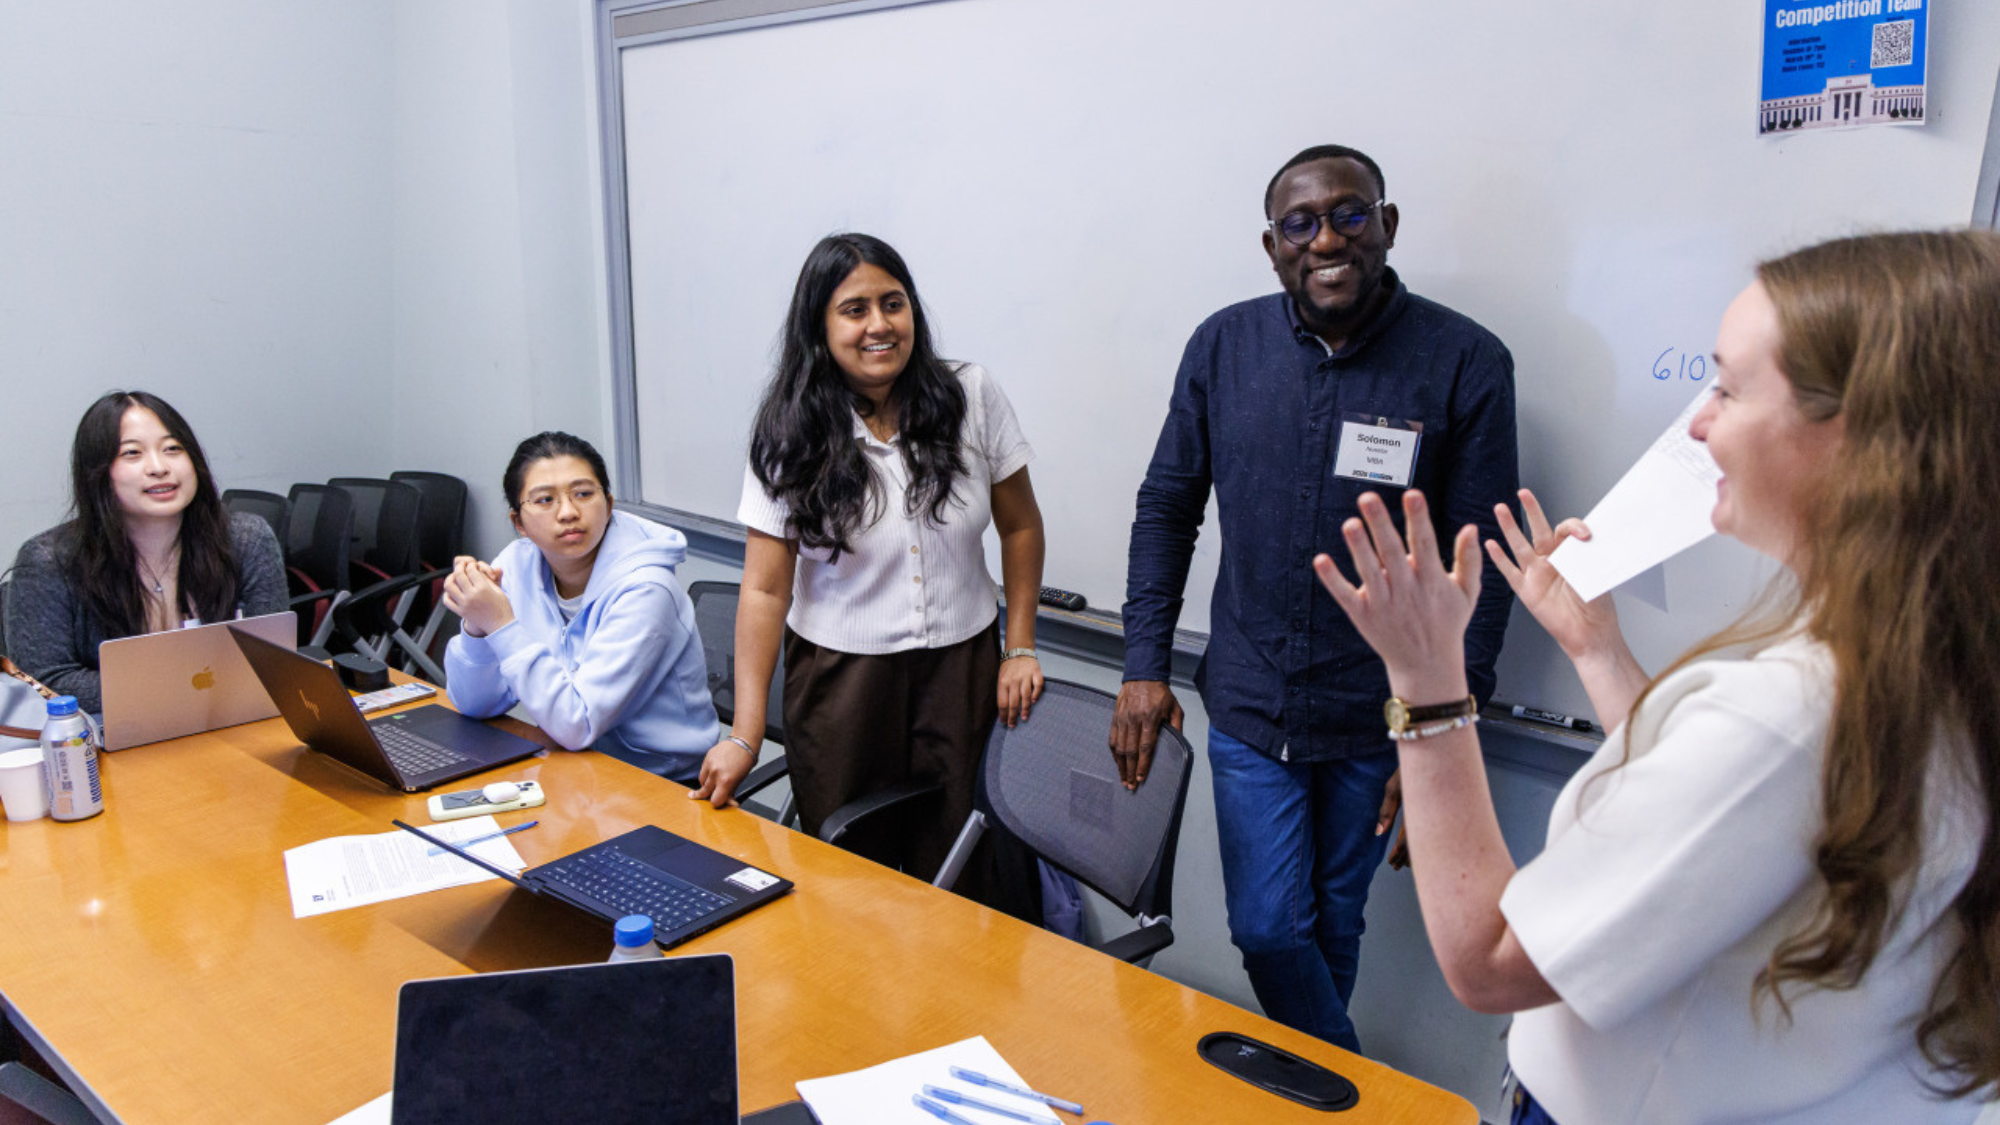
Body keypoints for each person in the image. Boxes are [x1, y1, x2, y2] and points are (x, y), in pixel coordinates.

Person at [1316, 229, 2000, 1124]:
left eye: (1727, 387)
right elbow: (1720, 819)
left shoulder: (1793, 711)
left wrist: (1428, 683)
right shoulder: (1929, 666)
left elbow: (1488, 958)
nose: (1700, 422)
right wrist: (1598, 651)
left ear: (1858, 438)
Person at [1111, 144, 1519, 1052]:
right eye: (1300, 223)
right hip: (1253, 702)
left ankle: (1312, 1102)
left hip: (1381, 717)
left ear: (1388, 224)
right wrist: (1144, 663)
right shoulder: (1224, 345)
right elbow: (1166, 506)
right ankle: (1361, 1098)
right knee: (1266, 927)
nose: (1326, 238)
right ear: (1271, 245)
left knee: (1336, 922)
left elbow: (1476, 563)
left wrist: (1444, 736)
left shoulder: (1466, 362)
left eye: (1349, 214)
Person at [701, 232, 1046, 903]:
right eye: (855, 309)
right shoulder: (789, 430)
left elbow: (1022, 524)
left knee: (967, 874)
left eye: (894, 303)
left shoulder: (970, 394)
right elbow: (766, 589)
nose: (880, 325)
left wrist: (1022, 644)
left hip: (964, 673)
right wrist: (744, 736)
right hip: (841, 689)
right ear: (820, 326)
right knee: (852, 884)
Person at [441, 432, 722, 782]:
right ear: (519, 523)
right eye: (544, 500)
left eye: (584, 494)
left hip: (658, 781)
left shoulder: (647, 588)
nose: (569, 512)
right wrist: (477, 626)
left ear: (609, 503)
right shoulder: (515, 565)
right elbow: (474, 704)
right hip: (570, 765)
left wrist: (501, 624)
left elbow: (579, 722)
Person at [5, 391, 288, 715]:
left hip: (230, 722)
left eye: (172, 449)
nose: (158, 467)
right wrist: (183, 685)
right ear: (97, 473)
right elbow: (45, 682)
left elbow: (274, 660)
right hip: (112, 740)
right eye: (132, 453)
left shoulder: (247, 540)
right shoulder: (49, 561)